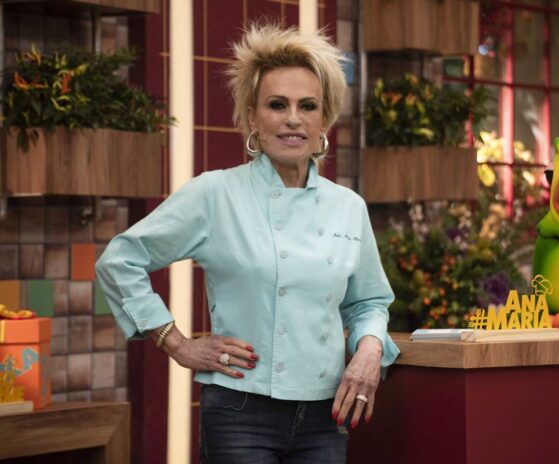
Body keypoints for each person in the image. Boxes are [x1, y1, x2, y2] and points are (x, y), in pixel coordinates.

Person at [95, 23, 399, 464]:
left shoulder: (348, 207)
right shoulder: (215, 193)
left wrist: (370, 348)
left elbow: (368, 302)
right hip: (240, 413)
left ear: (324, 120)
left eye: (307, 106)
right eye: (277, 105)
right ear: (253, 117)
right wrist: (177, 343)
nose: (293, 118)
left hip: (326, 414)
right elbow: (120, 260)